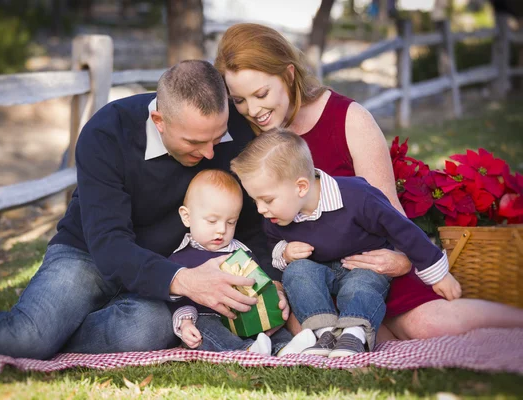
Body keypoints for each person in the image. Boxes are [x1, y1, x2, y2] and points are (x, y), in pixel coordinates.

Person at [0, 60, 287, 361]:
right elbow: (109, 242)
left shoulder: (235, 133)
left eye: (217, 137)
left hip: (165, 265)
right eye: (194, 142)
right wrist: (186, 281)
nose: (210, 153)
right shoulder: (106, 133)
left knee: (145, 329)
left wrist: (269, 279)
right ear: (159, 122)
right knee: (30, 339)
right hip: (88, 254)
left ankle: (43, 332)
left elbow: (252, 226)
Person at [215, 23, 523, 341]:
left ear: (289, 75)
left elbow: (387, 207)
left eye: (261, 94)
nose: (252, 110)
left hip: (366, 262)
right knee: (326, 332)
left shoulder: (348, 119)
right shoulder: (241, 134)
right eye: (239, 100)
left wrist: (404, 258)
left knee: (430, 326)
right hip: (304, 276)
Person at [231, 128, 462, 357]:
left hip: (362, 265)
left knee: (360, 286)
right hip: (320, 272)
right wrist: (285, 252)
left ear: (300, 187)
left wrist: (438, 274)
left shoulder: (357, 196)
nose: (260, 209)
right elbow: (274, 242)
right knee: (297, 272)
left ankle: (354, 334)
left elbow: (403, 230)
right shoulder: (276, 216)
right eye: (255, 200)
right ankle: (323, 333)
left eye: (267, 200)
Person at [168, 169, 315, 355]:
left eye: (231, 222)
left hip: (244, 313)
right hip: (207, 316)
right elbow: (176, 298)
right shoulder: (180, 257)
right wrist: (186, 322)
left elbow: (260, 283)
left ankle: (285, 347)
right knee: (206, 327)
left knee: (266, 322)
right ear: (187, 217)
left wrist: (271, 300)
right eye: (212, 221)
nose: (221, 230)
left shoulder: (241, 252)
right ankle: (244, 351)